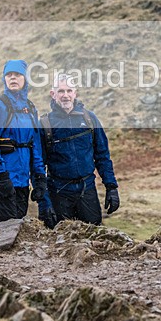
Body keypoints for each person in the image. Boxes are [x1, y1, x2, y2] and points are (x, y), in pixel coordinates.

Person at [36, 74, 119, 228]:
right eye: (61, 91)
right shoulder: (45, 124)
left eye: (69, 91)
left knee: (94, 241)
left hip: (87, 190)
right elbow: (38, 166)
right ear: (53, 94)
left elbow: (102, 156)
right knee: (59, 244)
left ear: (75, 93)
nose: (65, 95)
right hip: (59, 192)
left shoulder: (89, 118)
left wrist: (111, 187)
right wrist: (44, 203)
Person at [0, 60, 46, 225]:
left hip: (22, 183)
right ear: (4, 79)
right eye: (9, 75)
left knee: (17, 236)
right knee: (0, 235)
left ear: (25, 79)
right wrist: (2, 177)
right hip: (0, 184)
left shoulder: (30, 109)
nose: (13, 78)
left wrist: (39, 179)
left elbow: (34, 147)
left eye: (17, 75)